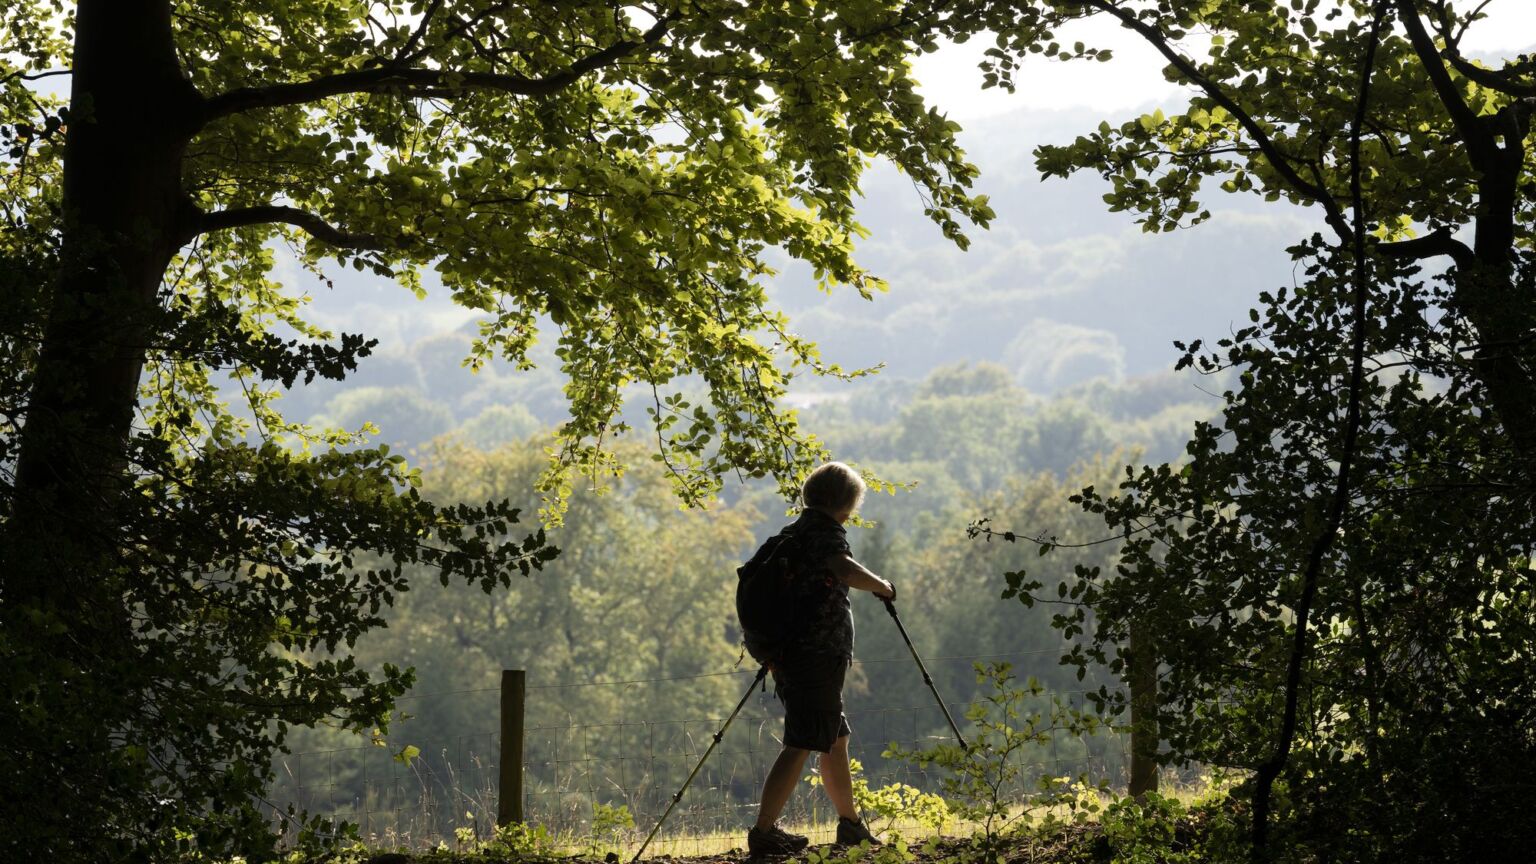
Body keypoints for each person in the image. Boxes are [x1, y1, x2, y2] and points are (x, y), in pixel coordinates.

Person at [747, 461, 896, 858]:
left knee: (833, 738)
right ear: (844, 501)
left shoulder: (793, 533)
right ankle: (764, 831)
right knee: (801, 740)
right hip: (814, 655)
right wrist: (882, 586)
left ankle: (850, 826)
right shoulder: (823, 533)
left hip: (795, 654)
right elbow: (843, 568)